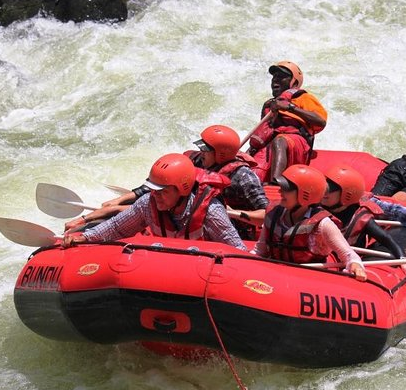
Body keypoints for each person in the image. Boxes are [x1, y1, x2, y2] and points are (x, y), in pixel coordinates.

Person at [63, 125, 268, 238]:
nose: (200, 151)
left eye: (205, 148)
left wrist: (232, 213)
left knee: (126, 212)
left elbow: (266, 215)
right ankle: (82, 222)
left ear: (221, 153)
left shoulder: (242, 177)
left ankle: (85, 222)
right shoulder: (194, 160)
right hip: (182, 212)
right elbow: (159, 184)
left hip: (224, 223)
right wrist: (120, 199)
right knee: (124, 208)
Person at [62, 153, 247, 250]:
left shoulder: (211, 211)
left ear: (182, 189)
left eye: (162, 191)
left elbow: (236, 248)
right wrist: (84, 237)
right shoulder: (147, 203)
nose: (154, 195)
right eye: (153, 189)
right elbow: (116, 228)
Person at [322, 164, 406, 277]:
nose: (324, 193)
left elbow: (387, 238)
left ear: (347, 195)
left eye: (330, 189)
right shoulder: (315, 205)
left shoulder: (363, 216)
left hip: (345, 255)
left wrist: (404, 261)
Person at [252, 164, 367, 281]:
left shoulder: (323, 225)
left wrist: (356, 266)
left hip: (306, 281)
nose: (280, 191)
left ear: (304, 195)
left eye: (286, 189)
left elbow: (349, 255)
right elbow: (260, 250)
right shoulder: (274, 212)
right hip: (275, 276)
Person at [247, 61, 328, 183]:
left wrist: (290, 107)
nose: (275, 80)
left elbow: (320, 121)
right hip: (273, 145)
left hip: (296, 144)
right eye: (274, 77)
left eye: (281, 77)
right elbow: (262, 134)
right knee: (246, 163)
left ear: (294, 82)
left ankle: (276, 182)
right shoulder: (269, 105)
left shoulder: (303, 98)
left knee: (280, 141)